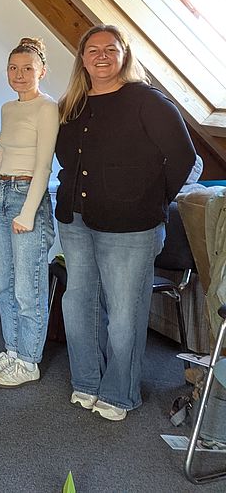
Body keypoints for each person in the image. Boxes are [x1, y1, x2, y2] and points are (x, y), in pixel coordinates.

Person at [56, 24, 194, 421]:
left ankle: (120, 392)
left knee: (123, 314)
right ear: (82, 58)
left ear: (124, 55)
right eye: (92, 49)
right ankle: (86, 381)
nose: (101, 55)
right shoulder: (72, 104)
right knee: (79, 305)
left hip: (131, 228)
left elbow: (183, 158)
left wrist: (151, 199)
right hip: (76, 220)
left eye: (110, 49)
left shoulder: (147, 101)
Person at [0, 38, 58, 388]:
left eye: (27, 68)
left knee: (28, 289)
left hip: (28, 197)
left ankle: (29, 360)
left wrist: (28, 211)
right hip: (3, 192)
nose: (19, 75)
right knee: (3, 286)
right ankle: (12, 350)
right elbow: (0, 158)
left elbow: (44, 165)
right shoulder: (9, 108)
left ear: (41, 71)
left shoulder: (47, 107)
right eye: (13, 68)